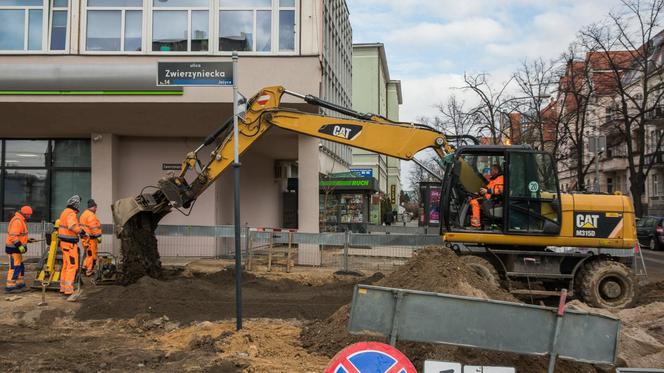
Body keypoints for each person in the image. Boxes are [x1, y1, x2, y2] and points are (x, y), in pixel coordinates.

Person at [58, 195, 86, 295]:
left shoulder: (64, 212)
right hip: (70, 245)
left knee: (66, 265)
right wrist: (81, 231)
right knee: (72, 266)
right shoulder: (71, 214)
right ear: (76, 205)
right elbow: (72, 226)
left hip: (64, 243)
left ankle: (63, 287)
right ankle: (69, 289)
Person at [5, 206, 33, 293]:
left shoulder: (21, 220)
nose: (30, 217)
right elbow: (13, 236)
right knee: (14, 267)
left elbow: (19, 235)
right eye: (29, 215)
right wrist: (20, 246)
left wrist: (27, 240)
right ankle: (11, 286)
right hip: (14, 249)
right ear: (25, 214)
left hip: (16, 249)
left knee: (20, 266)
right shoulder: (17, 221)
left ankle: (19, 284)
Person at [470, 164, 504, 228]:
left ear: (496, 171)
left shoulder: (501, 179)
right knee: (474, 200)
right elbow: (487, 188)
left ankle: (476, 224)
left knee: (474, 202)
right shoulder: (494, 179)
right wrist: (480, 193)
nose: (490, 172)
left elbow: (501, 190)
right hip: (489, 199)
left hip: (494, 201)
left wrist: (487, 191)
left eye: (491, 170)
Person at [80, 199, 102, 277]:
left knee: (88, 253)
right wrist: (98, 235)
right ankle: (89, 271)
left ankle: (84, 267)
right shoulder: (91, 215)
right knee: (91, 255)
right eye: (96, 208)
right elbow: (93, 227)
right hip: (91, 239)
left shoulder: (84, 214)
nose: (96, 209)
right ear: (93, 207)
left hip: (85, 238)